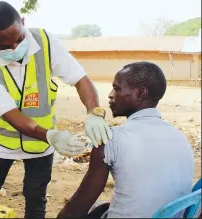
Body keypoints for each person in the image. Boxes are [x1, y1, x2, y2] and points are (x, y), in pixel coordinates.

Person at [0, 1, 113, 219]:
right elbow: (10, 113)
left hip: (42, 145)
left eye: (19, 40)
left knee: (36, 197)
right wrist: (50, 135)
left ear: (24, 24)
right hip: (2, 144)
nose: (14, 49)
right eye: (3, 46)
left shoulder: (46, 43)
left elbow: (80, 78)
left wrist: (94, 112)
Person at [57, 62, 195, 218]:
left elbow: (76, 209)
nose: (110, 94)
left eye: (117, 89)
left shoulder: (110, 139)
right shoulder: (180, 139)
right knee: (103, 207)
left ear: (140, 94)